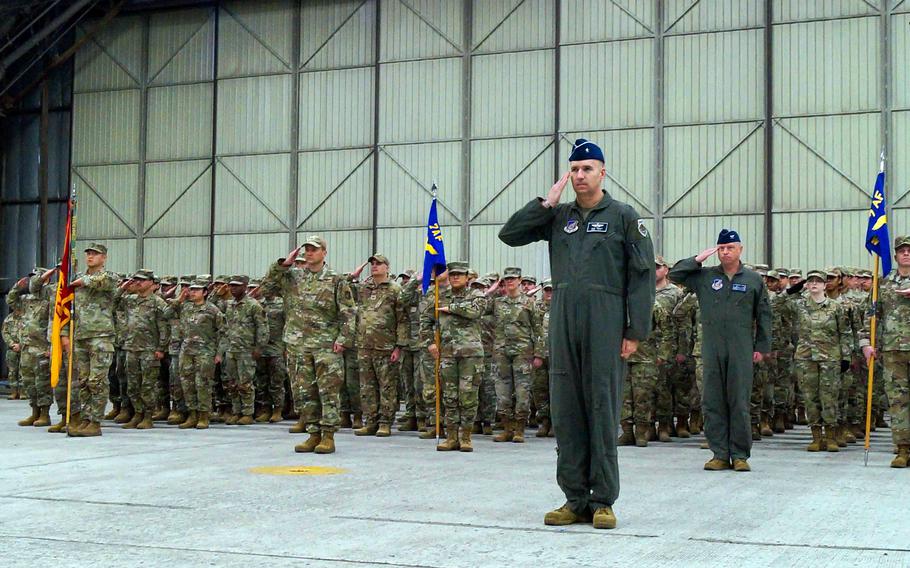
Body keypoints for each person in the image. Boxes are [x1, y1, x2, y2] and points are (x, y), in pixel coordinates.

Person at [499, 138, 655, 530]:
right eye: (573, 170)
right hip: (564, 317)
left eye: (587, 169)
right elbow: (510, 235)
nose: (579, 176)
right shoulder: (558, 216)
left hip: (605, 319)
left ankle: (602, 500)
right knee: (567, 410)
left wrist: (635, 329)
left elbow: (642, 276)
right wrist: (545, 204)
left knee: (601, 408)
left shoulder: (623, 216)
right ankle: (573, 498)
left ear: (603, 172)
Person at [668, 230, 771, 472]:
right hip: (712, 348)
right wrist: (697, 259)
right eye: (721, 248)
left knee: (738, 401)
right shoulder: (705, 277)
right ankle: (720, 453)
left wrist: (762, 347)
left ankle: (739, 454)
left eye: (730, 247)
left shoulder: (753, 279)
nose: (725, 252)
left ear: (740, 250)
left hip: (741, 348)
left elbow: (764, 315)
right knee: (713, 401)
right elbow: (675, 274)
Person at [263, 235, 356, 454]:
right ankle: (313, 433)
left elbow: (349, 312)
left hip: (326, 344)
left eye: (314, 249)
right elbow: (266, 289)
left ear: (324, 252)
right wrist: (282, 266)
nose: (309, 253)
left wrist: (343, 339)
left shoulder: (336, 279)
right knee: (304, 391)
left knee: (328, 390)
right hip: (297, 343)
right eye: (306, 249)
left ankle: (328, 436)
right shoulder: (293, 276)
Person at [419, 261, 486, 451]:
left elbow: (476, 311)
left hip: (470, 354)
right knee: (449, 396)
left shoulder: (476, 295)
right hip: (447, 354)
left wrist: (452, 308)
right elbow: (425, 320)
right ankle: (451, 436)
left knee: (468, 396)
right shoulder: (440, 296)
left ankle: (466, 437)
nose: (455, 277)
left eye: (460, 274)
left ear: (467, 277)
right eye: (452, 274)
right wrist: (430, 342)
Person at [861, 236, 910, 468]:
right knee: (898, 400)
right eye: (902, 251)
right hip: (893, 350)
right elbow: (871, 315)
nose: (906, 254)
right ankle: (902, 449)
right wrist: (865, 343)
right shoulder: (884, 283)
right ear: (896, 255)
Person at [792, 270, 851, 452]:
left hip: (830, 358)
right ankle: (816, 436)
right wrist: (793, 289)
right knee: (810, 398)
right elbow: (776, 305)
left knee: (829, 397)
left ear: (825, 285)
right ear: (807, 285)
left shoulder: (836, 307)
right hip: (806, 358)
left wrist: (846, 356)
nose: (815, 284)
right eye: (811, 282)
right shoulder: (799, 306)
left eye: (819, 281)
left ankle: (831, 436)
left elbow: (845, 333)